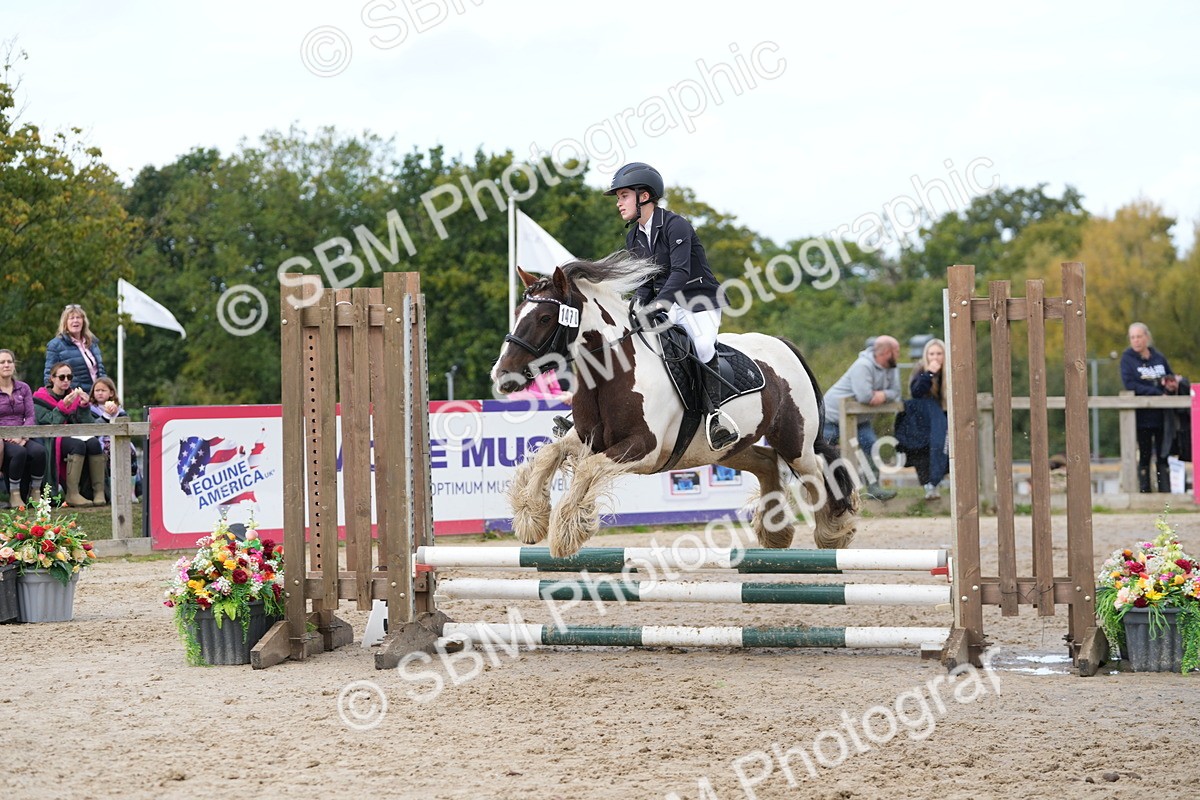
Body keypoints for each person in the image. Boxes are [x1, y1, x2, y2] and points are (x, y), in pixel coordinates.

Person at [605, 162, 737, 449]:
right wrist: (636, 307)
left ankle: (715, 416)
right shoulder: (633, 236)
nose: (618, 203)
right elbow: (645, 280)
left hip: (698, 301)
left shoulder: (675, 225)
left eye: (624, 195)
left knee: (702, 346)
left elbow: (680, 272)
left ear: (644, 196)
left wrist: (658, 305)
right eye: (618, 197)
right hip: (665, 303)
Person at [822, 335, 902, 500]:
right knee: (827, 452)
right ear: (887, 352)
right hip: (832, 417)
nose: (898, 354)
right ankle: (827, 492)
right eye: (897, 351)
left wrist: (882, 395)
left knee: (872, 447)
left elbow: (896, 392)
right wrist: (881, 395)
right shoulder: (863, 365)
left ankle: (874, 488)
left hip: (859, 419)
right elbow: (865, 396)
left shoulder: (892, 367)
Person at [33, 362, 107, 507]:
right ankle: (72, 493)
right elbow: (48, 422)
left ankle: (98, 491)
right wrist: (63, 406)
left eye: (69, 377)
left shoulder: (74, 396)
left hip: (74, 434)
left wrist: (84, 406)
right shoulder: (40, 398)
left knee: (94, 443)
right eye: (62, 377)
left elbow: (88, 425)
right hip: (52, 439)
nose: (66, 380)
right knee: (78, 445)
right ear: (52, 378)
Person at [1119, 322, 1179, 493]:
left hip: (1162, 416)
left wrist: (1171, 385)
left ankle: (1165, 494)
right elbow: (1130, 384)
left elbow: (1168, 376)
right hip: (1142, 417)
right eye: (1132, 337)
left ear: (1146, 337)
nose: (1136, 340)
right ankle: (1145, 493)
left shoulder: (1158, 358)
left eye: (1139, 336)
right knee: (1144, 455)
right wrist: (1156, 392)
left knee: (1163, 455)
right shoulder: (1127, 359)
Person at [896, 338, 949, 500]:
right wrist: (929, 374)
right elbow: (916, 392)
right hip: (924, 419)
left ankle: (936, 482)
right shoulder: (921, 369)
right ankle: (930, 484)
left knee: (943, 447)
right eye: (932, 354)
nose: (935, 357)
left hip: (943, 416)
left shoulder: (951, 370)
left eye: (939, 353)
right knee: (924, 450)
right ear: (926, 355)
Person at [0, 349, 47, 508]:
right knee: (19, 453)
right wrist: (7, 436)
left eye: (9, 361)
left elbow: (30, 415)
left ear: (14, 365)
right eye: (2, 362)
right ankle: (14, 495)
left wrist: (22, 435)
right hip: (3, 438)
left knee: (39, 452)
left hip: (22, 435)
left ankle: (35, 492)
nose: (6, 365)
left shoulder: (23, 388)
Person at [89, 377, 140, 501]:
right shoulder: (90, 409)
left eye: (103, 390)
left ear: (111, 393)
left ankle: (131, 491)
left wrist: (116, 414)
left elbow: (126, 427)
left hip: (120, 439)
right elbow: (94, 428)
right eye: (97, 390)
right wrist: (106, 416)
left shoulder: (120, 411)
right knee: (109, 453)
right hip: (101, 441)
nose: (100, 393)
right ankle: (112, 492)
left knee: (130, 452)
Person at [44, 304, 106, 394]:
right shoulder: (56, 345)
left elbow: (101, 371)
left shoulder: (92, 342)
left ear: (83, 321)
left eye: (78, 317)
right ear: (65, 323)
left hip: (96, 396)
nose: (75, 320)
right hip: (74, 396)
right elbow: (49, 376)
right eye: (71, 318)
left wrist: (105, 389)